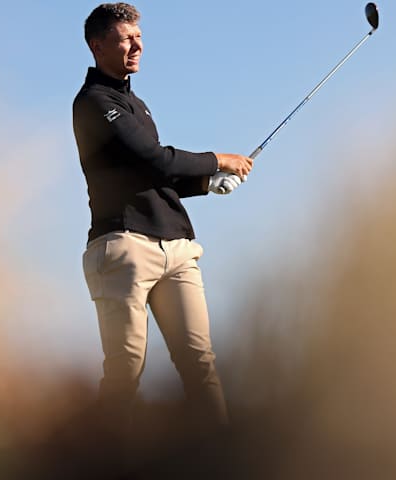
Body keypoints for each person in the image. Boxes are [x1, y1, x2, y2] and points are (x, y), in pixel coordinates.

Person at [72, 3, 251, 434]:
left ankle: (222, 455)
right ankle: (102, 458)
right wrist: (217, 159)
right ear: (98, 46)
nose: (137, 46)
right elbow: (152, 158)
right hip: (123, 247)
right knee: (126, 370)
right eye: (125, 39)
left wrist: (206, 182)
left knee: (199, 360)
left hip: (175, 246)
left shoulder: (136, 104)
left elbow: (151, 175)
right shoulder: (94, 102)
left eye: (139, 37)